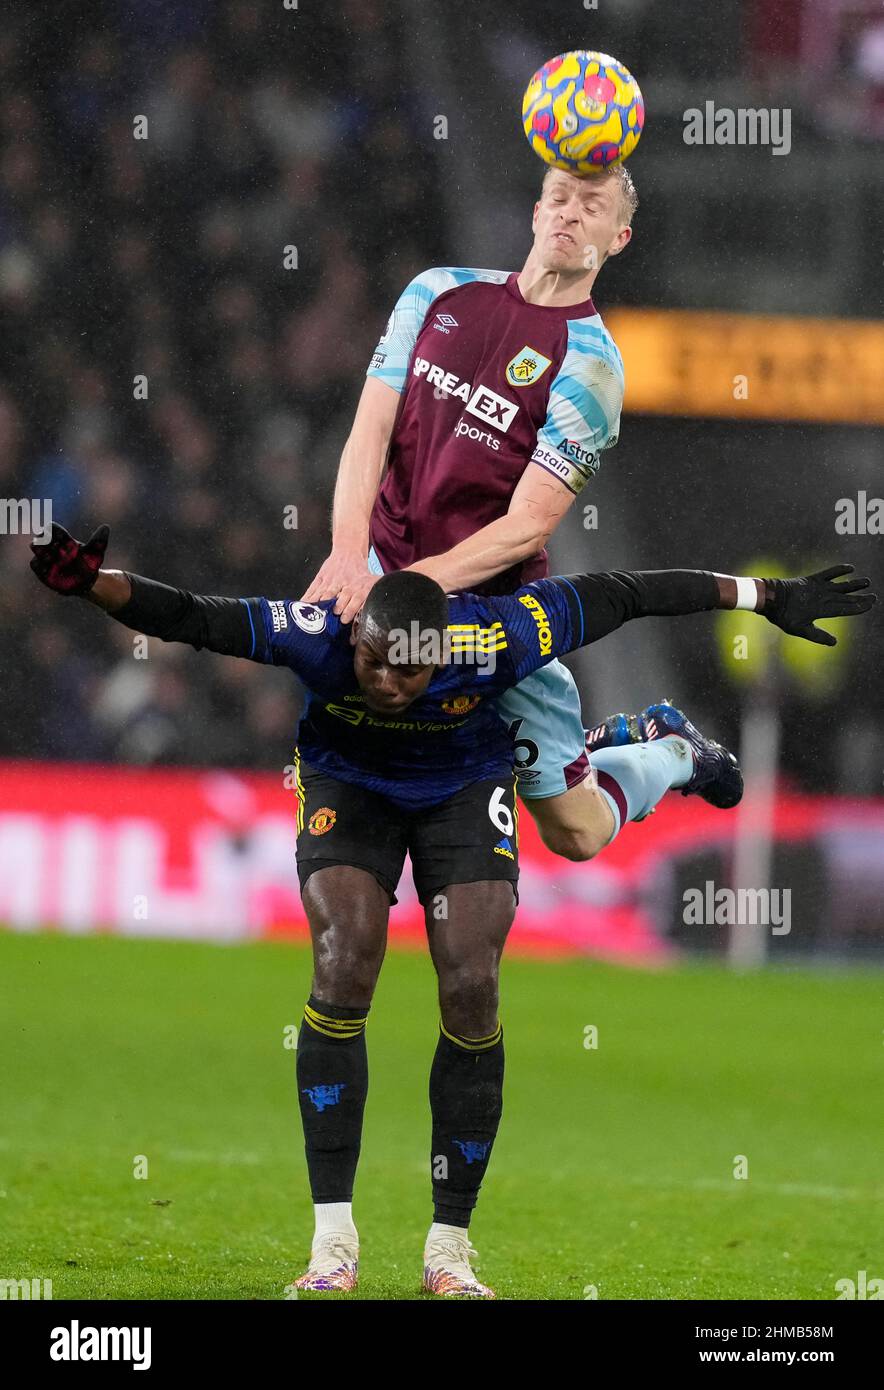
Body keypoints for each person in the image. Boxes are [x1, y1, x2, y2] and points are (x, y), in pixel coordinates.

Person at [31, 523, 875, 1297]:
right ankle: (332, 1245)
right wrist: (92, 582)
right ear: (356, 638)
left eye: (411, 668)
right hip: (348, 784)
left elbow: (634, 591)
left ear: (446, 649)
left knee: (471, 981)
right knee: (344, 961)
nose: (390, 682)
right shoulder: (323, 632)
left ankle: (450, 1246)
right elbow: (193, 616)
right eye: (374, 664)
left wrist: (768, 598)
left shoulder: (502, 634)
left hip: (463, 787)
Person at [303, 164, 636, 866]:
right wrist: (345, 552)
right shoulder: (437, 290)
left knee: (577, 833)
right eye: (559, 198)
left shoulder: (593, 367)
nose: (570, 214)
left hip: (488, 612)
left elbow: (527, 527)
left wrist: (399, 590)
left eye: (593, 207)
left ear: (618, 237)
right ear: (535, 210)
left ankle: (663, 753)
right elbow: (370, 431)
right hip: (378, 567)